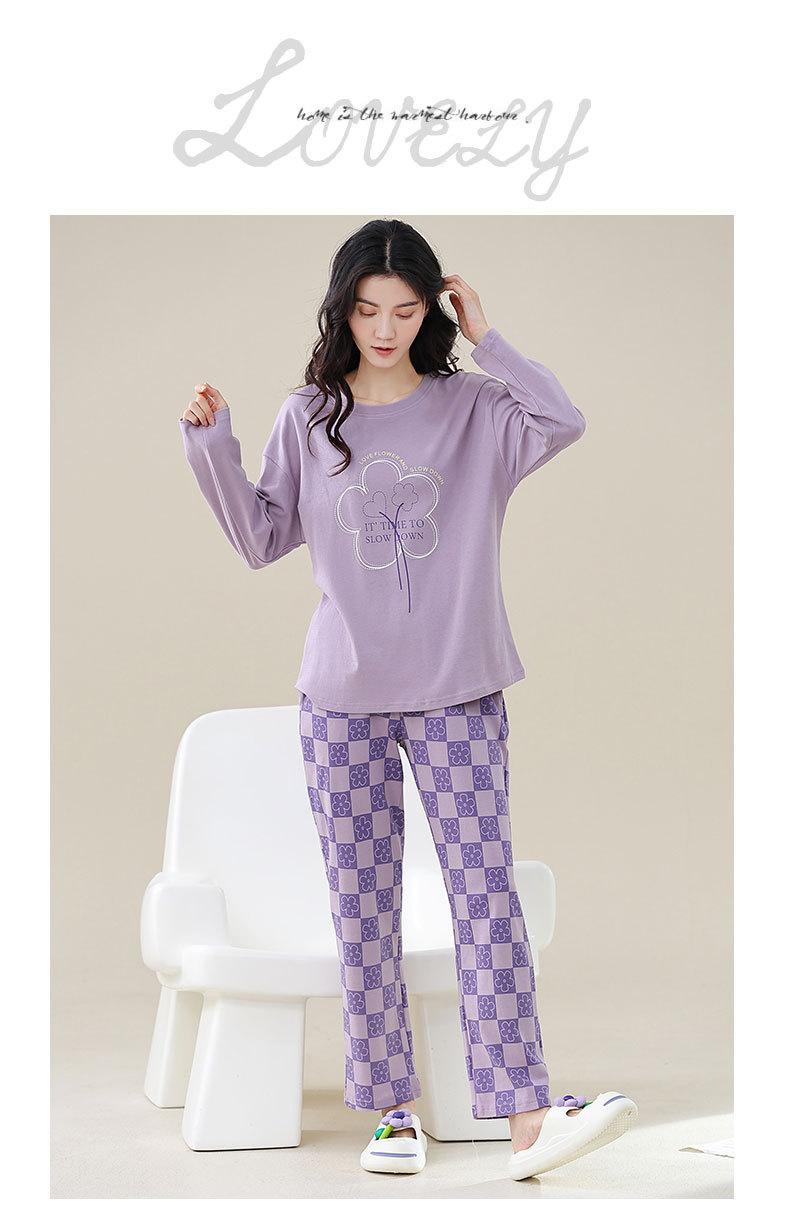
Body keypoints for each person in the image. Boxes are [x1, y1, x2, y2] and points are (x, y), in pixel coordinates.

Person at [178, 219, 637, 1181]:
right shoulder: (311, 415)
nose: (385, 329)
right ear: (342, 311)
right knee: (363, 904)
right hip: (340, 698)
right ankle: (392, 1112)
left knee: (485, 896)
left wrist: (489, 337)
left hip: (458, 689)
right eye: (367, 310)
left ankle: (526, 1118)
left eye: (406, 309)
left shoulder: (477, 409)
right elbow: (262, 539)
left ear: (432, 310)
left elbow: (563, 421)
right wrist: (212, 447)